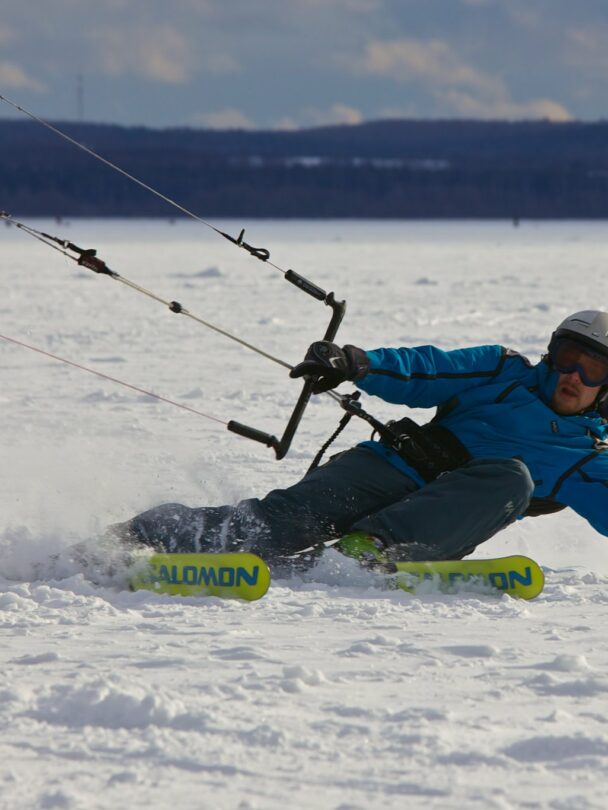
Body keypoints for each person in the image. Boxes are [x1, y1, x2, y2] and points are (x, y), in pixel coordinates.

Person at [116, 310, 608, 570]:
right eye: (568, 357)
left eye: (593, 370)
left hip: (430, 526)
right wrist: (355, 363)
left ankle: (368, 550)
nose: (574, 376)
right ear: (551, 353)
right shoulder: (503, 371)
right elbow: (427, 370)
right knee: (269, 527)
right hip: (384, 469)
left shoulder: (586, 457)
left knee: (512, 477)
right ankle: (126, 539)